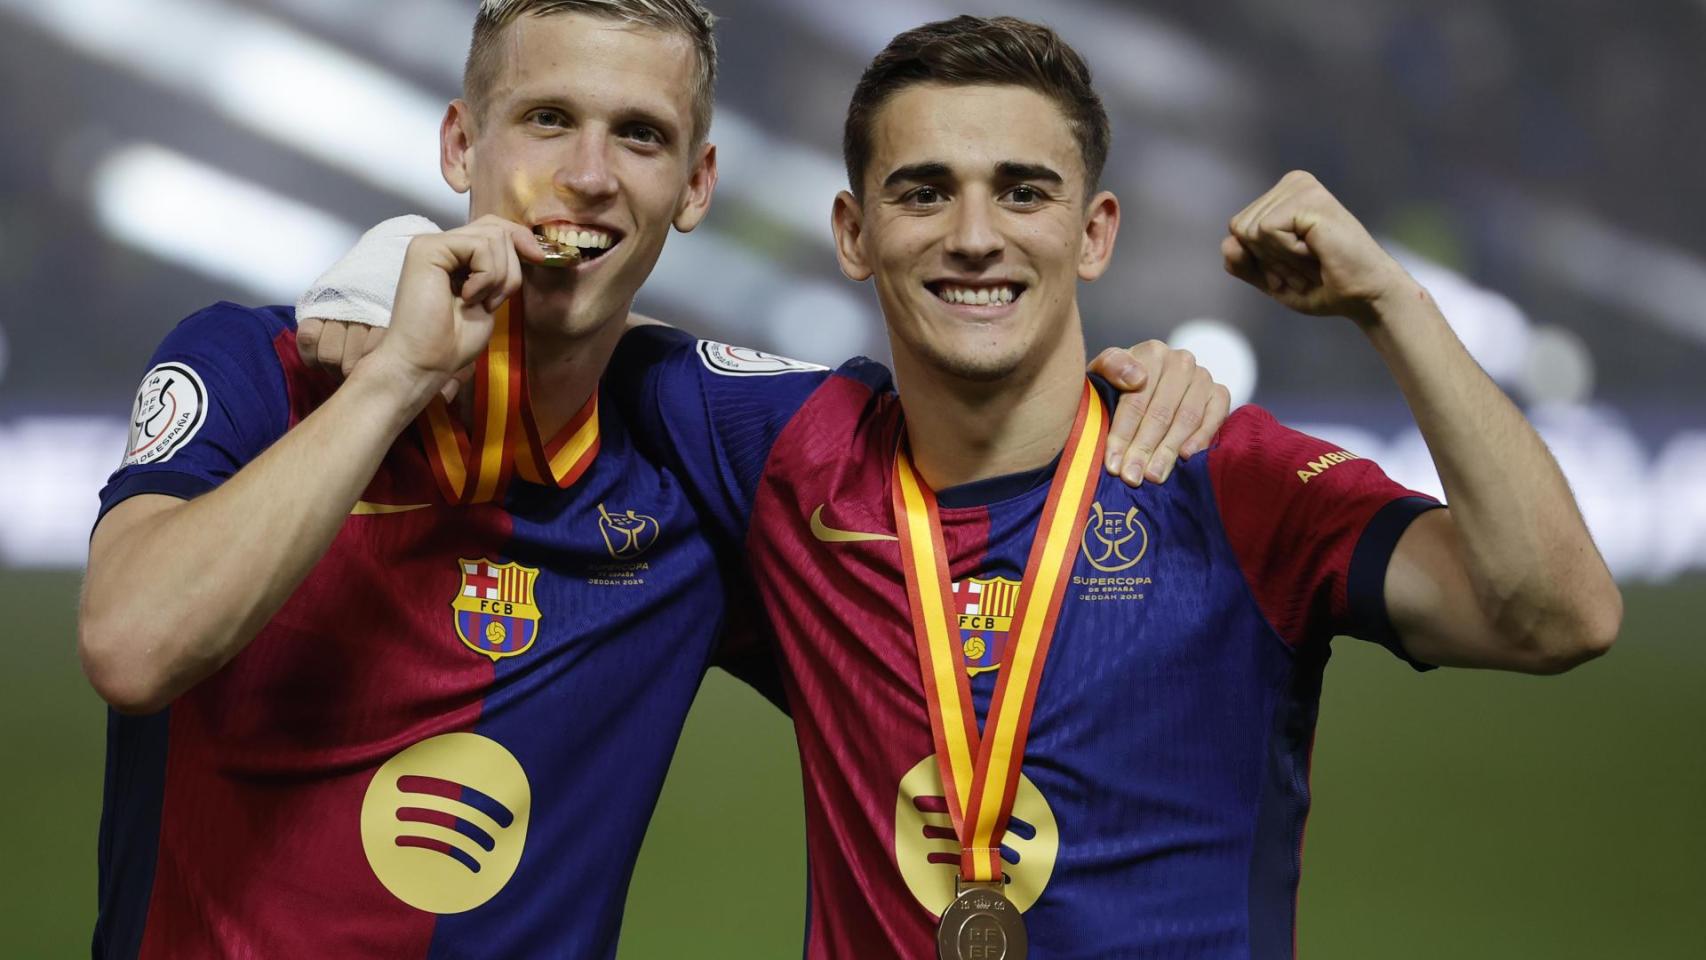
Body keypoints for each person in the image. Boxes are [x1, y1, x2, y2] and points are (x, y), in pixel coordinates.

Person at [299, 11, 1620, 959]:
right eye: (922, 191)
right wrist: (382, 262)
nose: (974, 234)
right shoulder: (770, 449)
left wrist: (1388, 302)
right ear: (852, 233)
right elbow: (567, 279)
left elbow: (1556, 614)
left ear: (1091, 230)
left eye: (1021, 191)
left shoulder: (1224, 477)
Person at [76, 2, 1223, 957]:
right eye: (544, 121)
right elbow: (132, 646)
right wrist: (395, 379)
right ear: (459, 148)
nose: (584, 177)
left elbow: (978, 433)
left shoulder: (710, 454)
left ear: (695, 183)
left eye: (637, 135)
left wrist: (1140, 377)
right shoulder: (254, 367)